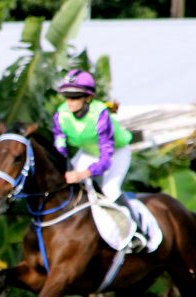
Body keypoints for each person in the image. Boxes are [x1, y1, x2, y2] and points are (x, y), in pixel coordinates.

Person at [51, 68, 145, 246]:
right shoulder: (61, 114)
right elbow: (59, 143)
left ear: (87, 98)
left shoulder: (100, 115)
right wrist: (66, 165)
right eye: (67, 97)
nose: (69, 102)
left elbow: (106, 159)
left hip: (115, 153)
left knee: (109, 190)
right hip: (88, 152)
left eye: (75, 97)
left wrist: (82, 174)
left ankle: (137, 232)